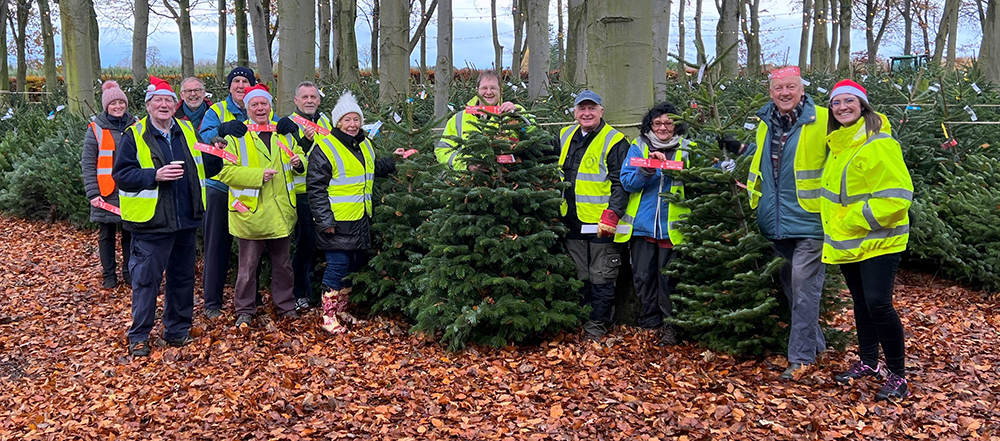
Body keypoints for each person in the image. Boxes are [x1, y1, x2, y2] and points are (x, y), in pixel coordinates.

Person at [113, 76, 221, 357]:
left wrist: (217, 154)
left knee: (183, 279)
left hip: (186, 220)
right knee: (146, 281)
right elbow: (122, 176)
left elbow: (202, 165)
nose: (164, 105)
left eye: (168, 100)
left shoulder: (185, 130)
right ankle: (139, 337)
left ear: (176, 105)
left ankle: (177, 331)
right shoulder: (134, 135)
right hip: (152, 223)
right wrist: (154, 175)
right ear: (148, 106)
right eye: (158, 100)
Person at [823, 80, 913, 401]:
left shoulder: (878, 143)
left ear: (863, 105)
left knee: (878, 304)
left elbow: (897, 198)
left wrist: (852, 220)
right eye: (836, 103)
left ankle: (899, 375)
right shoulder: (839, 145)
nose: (842, 107)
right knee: (861, 303)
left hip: (879, 241)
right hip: (849, 244)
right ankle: (869, 363)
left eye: (849, 101)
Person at [743, 66, 829, 380]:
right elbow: (764, 160)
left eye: (790, 87)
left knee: (804, 291)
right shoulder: (766, 123)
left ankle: (801, 359)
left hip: (810, 221)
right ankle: (817, 346)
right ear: (771, 93)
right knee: (793, 291)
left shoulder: (822, 119)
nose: (784, 93)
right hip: (776, 223)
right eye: (778, 88)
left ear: (801, 90)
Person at [307, 91, 398, 335]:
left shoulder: (365, 144)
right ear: (338, 123)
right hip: (336, 221)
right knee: (337, 265)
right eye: (347, 120)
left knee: (353, 267)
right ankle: (327, 315)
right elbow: (315, 188)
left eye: (356, 119)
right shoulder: (325, 147)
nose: (352, 125)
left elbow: (371, 169)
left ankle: (342, 310)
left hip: (360, 218)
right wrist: (324, 221)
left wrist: (394, 161)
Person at [215, 84, 305, 328]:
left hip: (281, 212)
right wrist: (257, 176)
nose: (260, 108)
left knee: (284, 265)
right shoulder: (236, 136)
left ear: (270, 106)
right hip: (250, 214)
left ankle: (285, 306)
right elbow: (224, 172)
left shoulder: (283, 133)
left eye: (264, 104)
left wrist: (299, 163)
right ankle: (245, 309)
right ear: (247, 108)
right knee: (247, 267)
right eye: (254, 104)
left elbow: (300, 159)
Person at [616, 102, 692, 346]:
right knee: (643, 276)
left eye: (668, 123)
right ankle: (650, 323)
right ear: (649, 125)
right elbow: (627, 182)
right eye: (657, 123)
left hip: (674, 228)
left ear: (676, 125)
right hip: (642, 227)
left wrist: (670, 171)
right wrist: (647, 171)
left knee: (669, 280)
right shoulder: (638, 147)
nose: (662, 127)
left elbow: (700, 182)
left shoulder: (689, 149)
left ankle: (671, 327)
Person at [557, 90, 630, 341]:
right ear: (575, 112)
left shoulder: (615, 141)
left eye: (592, 108)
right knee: (580, 276)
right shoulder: (566, 135)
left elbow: (622, 182)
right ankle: (580, 320)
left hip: (602, 223)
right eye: (581, 108)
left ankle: (597, 326)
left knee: (602, 276)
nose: (586, 113)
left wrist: (613, 213)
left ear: (601, 111)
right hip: (571, 220)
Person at [198, 66, 261, 319]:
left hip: (250, 189)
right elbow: (203, 140)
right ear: (229, 86)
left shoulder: (260, 106)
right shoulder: (217, 111)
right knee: (217, 246)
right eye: (236, 81)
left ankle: (252, 298)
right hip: (221, 188)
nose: (240, 85)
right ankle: (212, 302)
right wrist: (221, 131)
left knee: (252, 246)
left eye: (245, 81)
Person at [82, 81, 137, 289]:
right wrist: (93, 193)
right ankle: (109, 276)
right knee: (106, 235)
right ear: (106, 106)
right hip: (105, 192)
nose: (118, 106)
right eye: (113, 103)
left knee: (130, 233)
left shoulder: (136, 124)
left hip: (130, 189)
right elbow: (88, 163)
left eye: (121, 102)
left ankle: (129, 273)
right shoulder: (95, 129)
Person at [288, 81, 333, 311]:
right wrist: (305, 142)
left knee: (318, 246)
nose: (309, 101)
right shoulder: (289, 124)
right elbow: (288, 156)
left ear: (319, 100)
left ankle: (316, 290)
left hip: (323, 192)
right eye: (304, 97)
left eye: (313, 97)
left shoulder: (325, 122)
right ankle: (299, 293)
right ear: (296, 100)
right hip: (301, 194)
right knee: (304, 246)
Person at [435, 70, 529, 170]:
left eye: (493, 88)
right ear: (477, 90)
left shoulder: (510, 115)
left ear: (500, 91)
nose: (488, 92)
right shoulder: (458, 118)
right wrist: (465, 165)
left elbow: (534, 132)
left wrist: (518, 112)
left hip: (506, 180)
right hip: (467, 182)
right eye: (484, 88)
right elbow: (442, 150)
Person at [174, 77, 213, 142]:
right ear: (182, 95)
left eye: (197, 90)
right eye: (188, 91)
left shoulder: (215, 113)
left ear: (203, 93)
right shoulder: (173, 116)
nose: (193, 94)